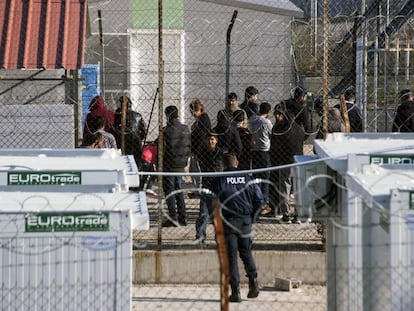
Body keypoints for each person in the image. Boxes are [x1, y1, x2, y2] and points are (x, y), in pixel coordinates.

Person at [208, 153, 264, 302]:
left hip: (227, 223)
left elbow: (211, 201)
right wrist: (252, 218)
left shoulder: (219, 180)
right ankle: (253, 284)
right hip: (245, 221)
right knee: (246, 252)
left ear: (224, 165)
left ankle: (236, 291)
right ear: (236, 163)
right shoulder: (247, 177)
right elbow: (259, 199)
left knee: (231, 257)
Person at [268, 102, 305, 223]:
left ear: (284, 115)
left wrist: (275, 160)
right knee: (297, 188)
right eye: (276, 115)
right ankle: (297, 214)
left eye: (279, 115)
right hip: (298, 160)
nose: (277, 117)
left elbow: (275, 147)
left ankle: (286, 213)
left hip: (285, 162)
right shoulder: (298, 128)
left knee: (285, 187)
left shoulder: (280, 129)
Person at [161, 105, 191, 227]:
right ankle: (182, 217)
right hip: (181, 163)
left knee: (169, 191)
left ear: (167, 115)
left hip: (169, 164)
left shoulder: (166, 130)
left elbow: (163, 149)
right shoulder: (185, 129)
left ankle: (173, 218)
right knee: (179, 190)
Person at [195, 133, 224, 243]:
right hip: (206, 186)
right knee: (203, 213)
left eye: (212, 139)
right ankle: (200, 236)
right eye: (208, 140)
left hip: (217, 188)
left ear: (216, 140)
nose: (210, 142)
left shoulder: (220, 153)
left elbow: (218, 167)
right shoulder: (202, 153)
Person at [110, 96, 147, 167]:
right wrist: (138, 139)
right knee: (135, 164)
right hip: (135, 143)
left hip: (121, 143)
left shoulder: (118, 115)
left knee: (123, 164)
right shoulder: (137, 115)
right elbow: (143, 131)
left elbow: (114, 129)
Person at [248, 102, 273, 205]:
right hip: (264, 151)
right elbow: (272, 134)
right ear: (268, 112)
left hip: (254, 150)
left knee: (256, 177)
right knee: (265, 178)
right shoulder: (266, 122)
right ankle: (264, 201)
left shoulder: (252, 120)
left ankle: (256, 198)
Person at [189, 98, 211, 194]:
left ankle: (199, 190)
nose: (193, 113)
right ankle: (197, 189)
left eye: (195, 111)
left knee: (197, 171)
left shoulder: (204, 118)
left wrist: (196, 150)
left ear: (200, 110)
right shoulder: (199, 120)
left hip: (200, 150)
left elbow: (201, 136)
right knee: (193, 170)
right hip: (196, 149)